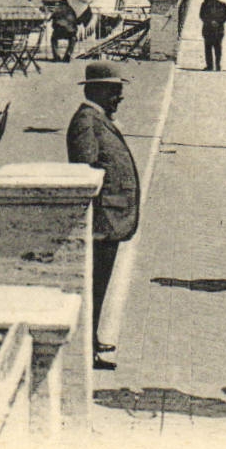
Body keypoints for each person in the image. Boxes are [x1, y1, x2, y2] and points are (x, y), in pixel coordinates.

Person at [65, 62, 140, 371]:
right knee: (94, 286)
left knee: (100, 284)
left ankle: (92, 340)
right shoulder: (86, 121)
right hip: (101, 221)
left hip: (110, 219)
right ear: (95, 89)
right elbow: (85, 172)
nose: (119, 97)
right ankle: (88, 349)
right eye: (114, 90)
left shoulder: (97, 119)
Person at [199, 0, 226, 71]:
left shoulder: (222, 5)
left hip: (216, 29)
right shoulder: (204, 5)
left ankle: (216, 65)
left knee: (216, 48)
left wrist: (216, 22)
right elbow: (202, 16)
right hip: (211, 29)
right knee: (210, 48)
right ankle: (211, 65)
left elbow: (225, 16)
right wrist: (212, 22)